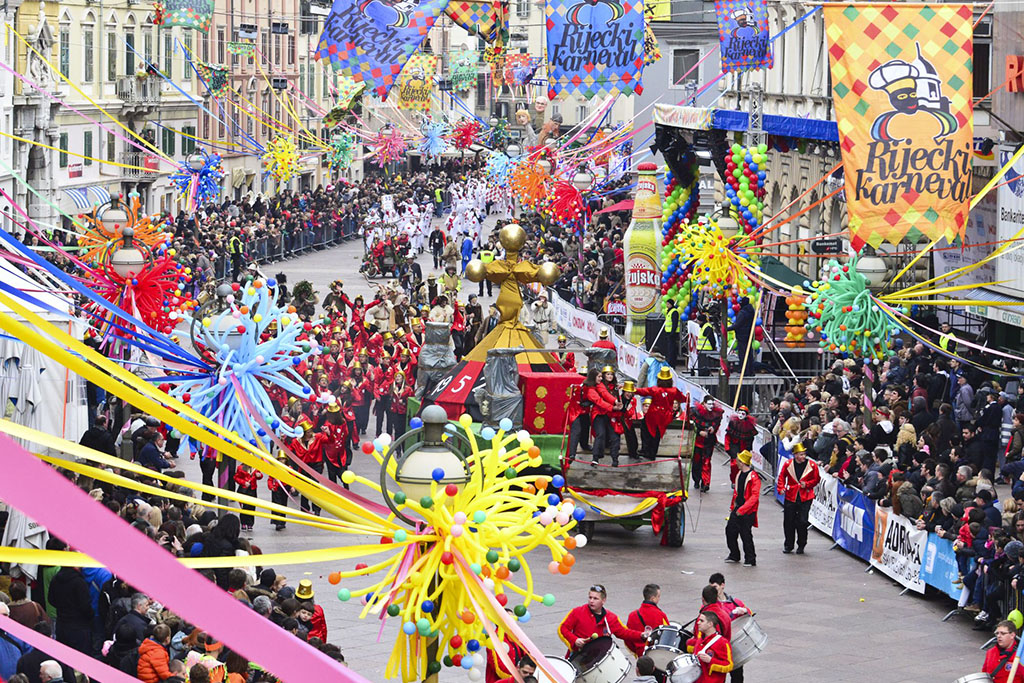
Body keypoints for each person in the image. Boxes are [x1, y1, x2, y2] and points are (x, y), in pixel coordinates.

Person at [557, 585, 644, 657]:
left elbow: (624, 632)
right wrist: (575, 640)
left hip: (599, 658)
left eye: (595, 598)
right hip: (577, 657)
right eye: (590, 597)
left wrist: (642, 635)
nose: (591, 601)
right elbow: (562, 628)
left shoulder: (611, 618)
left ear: (603, 600)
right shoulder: (577, 612)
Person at [777, 442, 821, 554]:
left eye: (803, 454)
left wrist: (807, 484)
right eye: (800, 454)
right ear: (795, 455)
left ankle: (801, 544)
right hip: (791, 496)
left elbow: (816, 479)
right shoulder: (788, 464)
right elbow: (782, 476)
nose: (802, 457)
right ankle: (788, 545)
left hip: (805, 497)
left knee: (802, 521)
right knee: (788, 521)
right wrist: (781, 488)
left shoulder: (812, 465)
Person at [635, 368, 686, 461]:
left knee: (646, 429)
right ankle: (652, 454)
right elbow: (683, 399)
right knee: (657, 434)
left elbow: (643, 391)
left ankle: (645, 450)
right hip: (666, 416)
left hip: (653, 414)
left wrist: (632, 389)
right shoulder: (674, 391)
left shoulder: (655, 389)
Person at [708, 573, 750, 683]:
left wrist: (744, 611)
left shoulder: (734, 602)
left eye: (715, 587)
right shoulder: (710, 604)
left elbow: (749, 614)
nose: (713, 591)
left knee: (737, 676)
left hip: (733, 644)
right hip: (717, 645)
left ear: (723, 585)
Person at [725, 450, 760, 567]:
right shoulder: (739, 474)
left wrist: (742, 510)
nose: (736, 462)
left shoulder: (754, 478)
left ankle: (750, 558)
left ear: (743, 462)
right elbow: (737, 493)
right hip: (738, 508)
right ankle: (734, 554)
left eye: (738, 461)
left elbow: (754, 497)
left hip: (747, 511)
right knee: (730, 531)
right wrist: (733, 507)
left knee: (746, 534)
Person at [689, 394, 724, 492]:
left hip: (709, 442)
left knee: (707, 462)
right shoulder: (695, 413)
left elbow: (717, 423)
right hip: (697, 441)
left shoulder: (717, 414)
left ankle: (705, 483)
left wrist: (713, 428)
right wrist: (699, 432)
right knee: (696, 462)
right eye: (709, 404)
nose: (711, 406)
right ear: (704, 404)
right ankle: (696, 480)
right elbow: (691, 425)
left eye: (712, 404)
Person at [685, 611, 733, 683]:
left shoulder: (722, 642)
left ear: (710, 624)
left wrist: (711, 661)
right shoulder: (700, 639)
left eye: (702, 621)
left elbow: (728, 665)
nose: (698, 623)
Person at [625, 584, 669, 657]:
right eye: (658, 596)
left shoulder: (632, 615)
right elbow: (667, 636)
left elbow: (627, 638)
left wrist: (637, 652)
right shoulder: (660, 615)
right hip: (656, 655)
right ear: (653, 598)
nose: (659, 598)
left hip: (641, 655)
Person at [725, 406, 756, 484]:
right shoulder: (733, 422)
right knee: (734, 464)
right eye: (739, 413)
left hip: (744, 448)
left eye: (743, 413)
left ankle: (741, 481)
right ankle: (734, 481)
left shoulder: (749, 425)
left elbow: (751, 438)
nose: (740, 415)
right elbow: (728, 435)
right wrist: (727, 447)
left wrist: (748, 449)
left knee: (744, 466)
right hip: (734, 446)